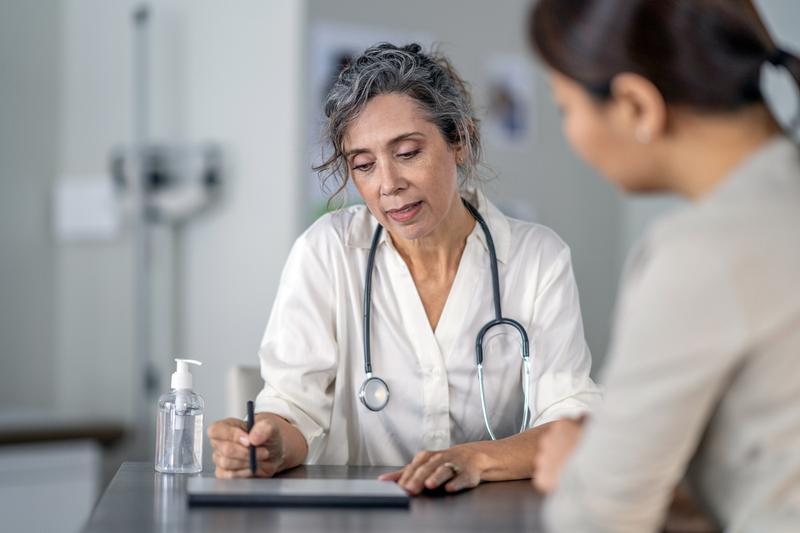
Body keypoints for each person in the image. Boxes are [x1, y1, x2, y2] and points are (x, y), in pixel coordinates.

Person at [208, 42, 601, 495]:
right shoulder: (328, 251)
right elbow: (296, 408)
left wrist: (472, 458)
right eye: (364, 165)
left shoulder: (537, 259)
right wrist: (270, 443)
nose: (388, 185)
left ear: (460, 140)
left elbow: (570, 420)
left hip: (495, 519)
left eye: (408, 152)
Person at [527, 0, 800, 531]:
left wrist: (579, 470)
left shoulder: (703, 254)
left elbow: (597, 521)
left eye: (566, 108)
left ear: (635, 105)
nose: (571, 131)